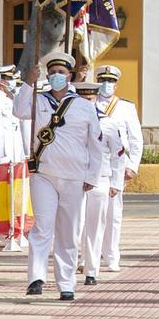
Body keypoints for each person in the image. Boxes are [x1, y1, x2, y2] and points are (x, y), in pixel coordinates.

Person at [26, 52, 104, 300]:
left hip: (74, 176)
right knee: (42, 227)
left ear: (70, 76)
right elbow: (19, 110)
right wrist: (28, 83)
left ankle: (67, 283)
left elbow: (96, 144)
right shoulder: (37, 101)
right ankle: (36, 278)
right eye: (53, 73)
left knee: (68, 232)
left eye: (62, 73)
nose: (57, 76)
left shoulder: (83, 106)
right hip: (44, 173)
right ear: (47, 75)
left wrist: (92, 176)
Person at [83, 64, 141, 276]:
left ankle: (111, 256)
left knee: (113, 215)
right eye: (103, 80)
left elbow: (136, 140)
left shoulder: (126, 107)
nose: (106, 85)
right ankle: (87, 257)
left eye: (111, 81)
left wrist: (132, 166)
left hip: (116, 167)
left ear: (116, 84)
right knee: (86, 215)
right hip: (89, 168)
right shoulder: (87, 103)